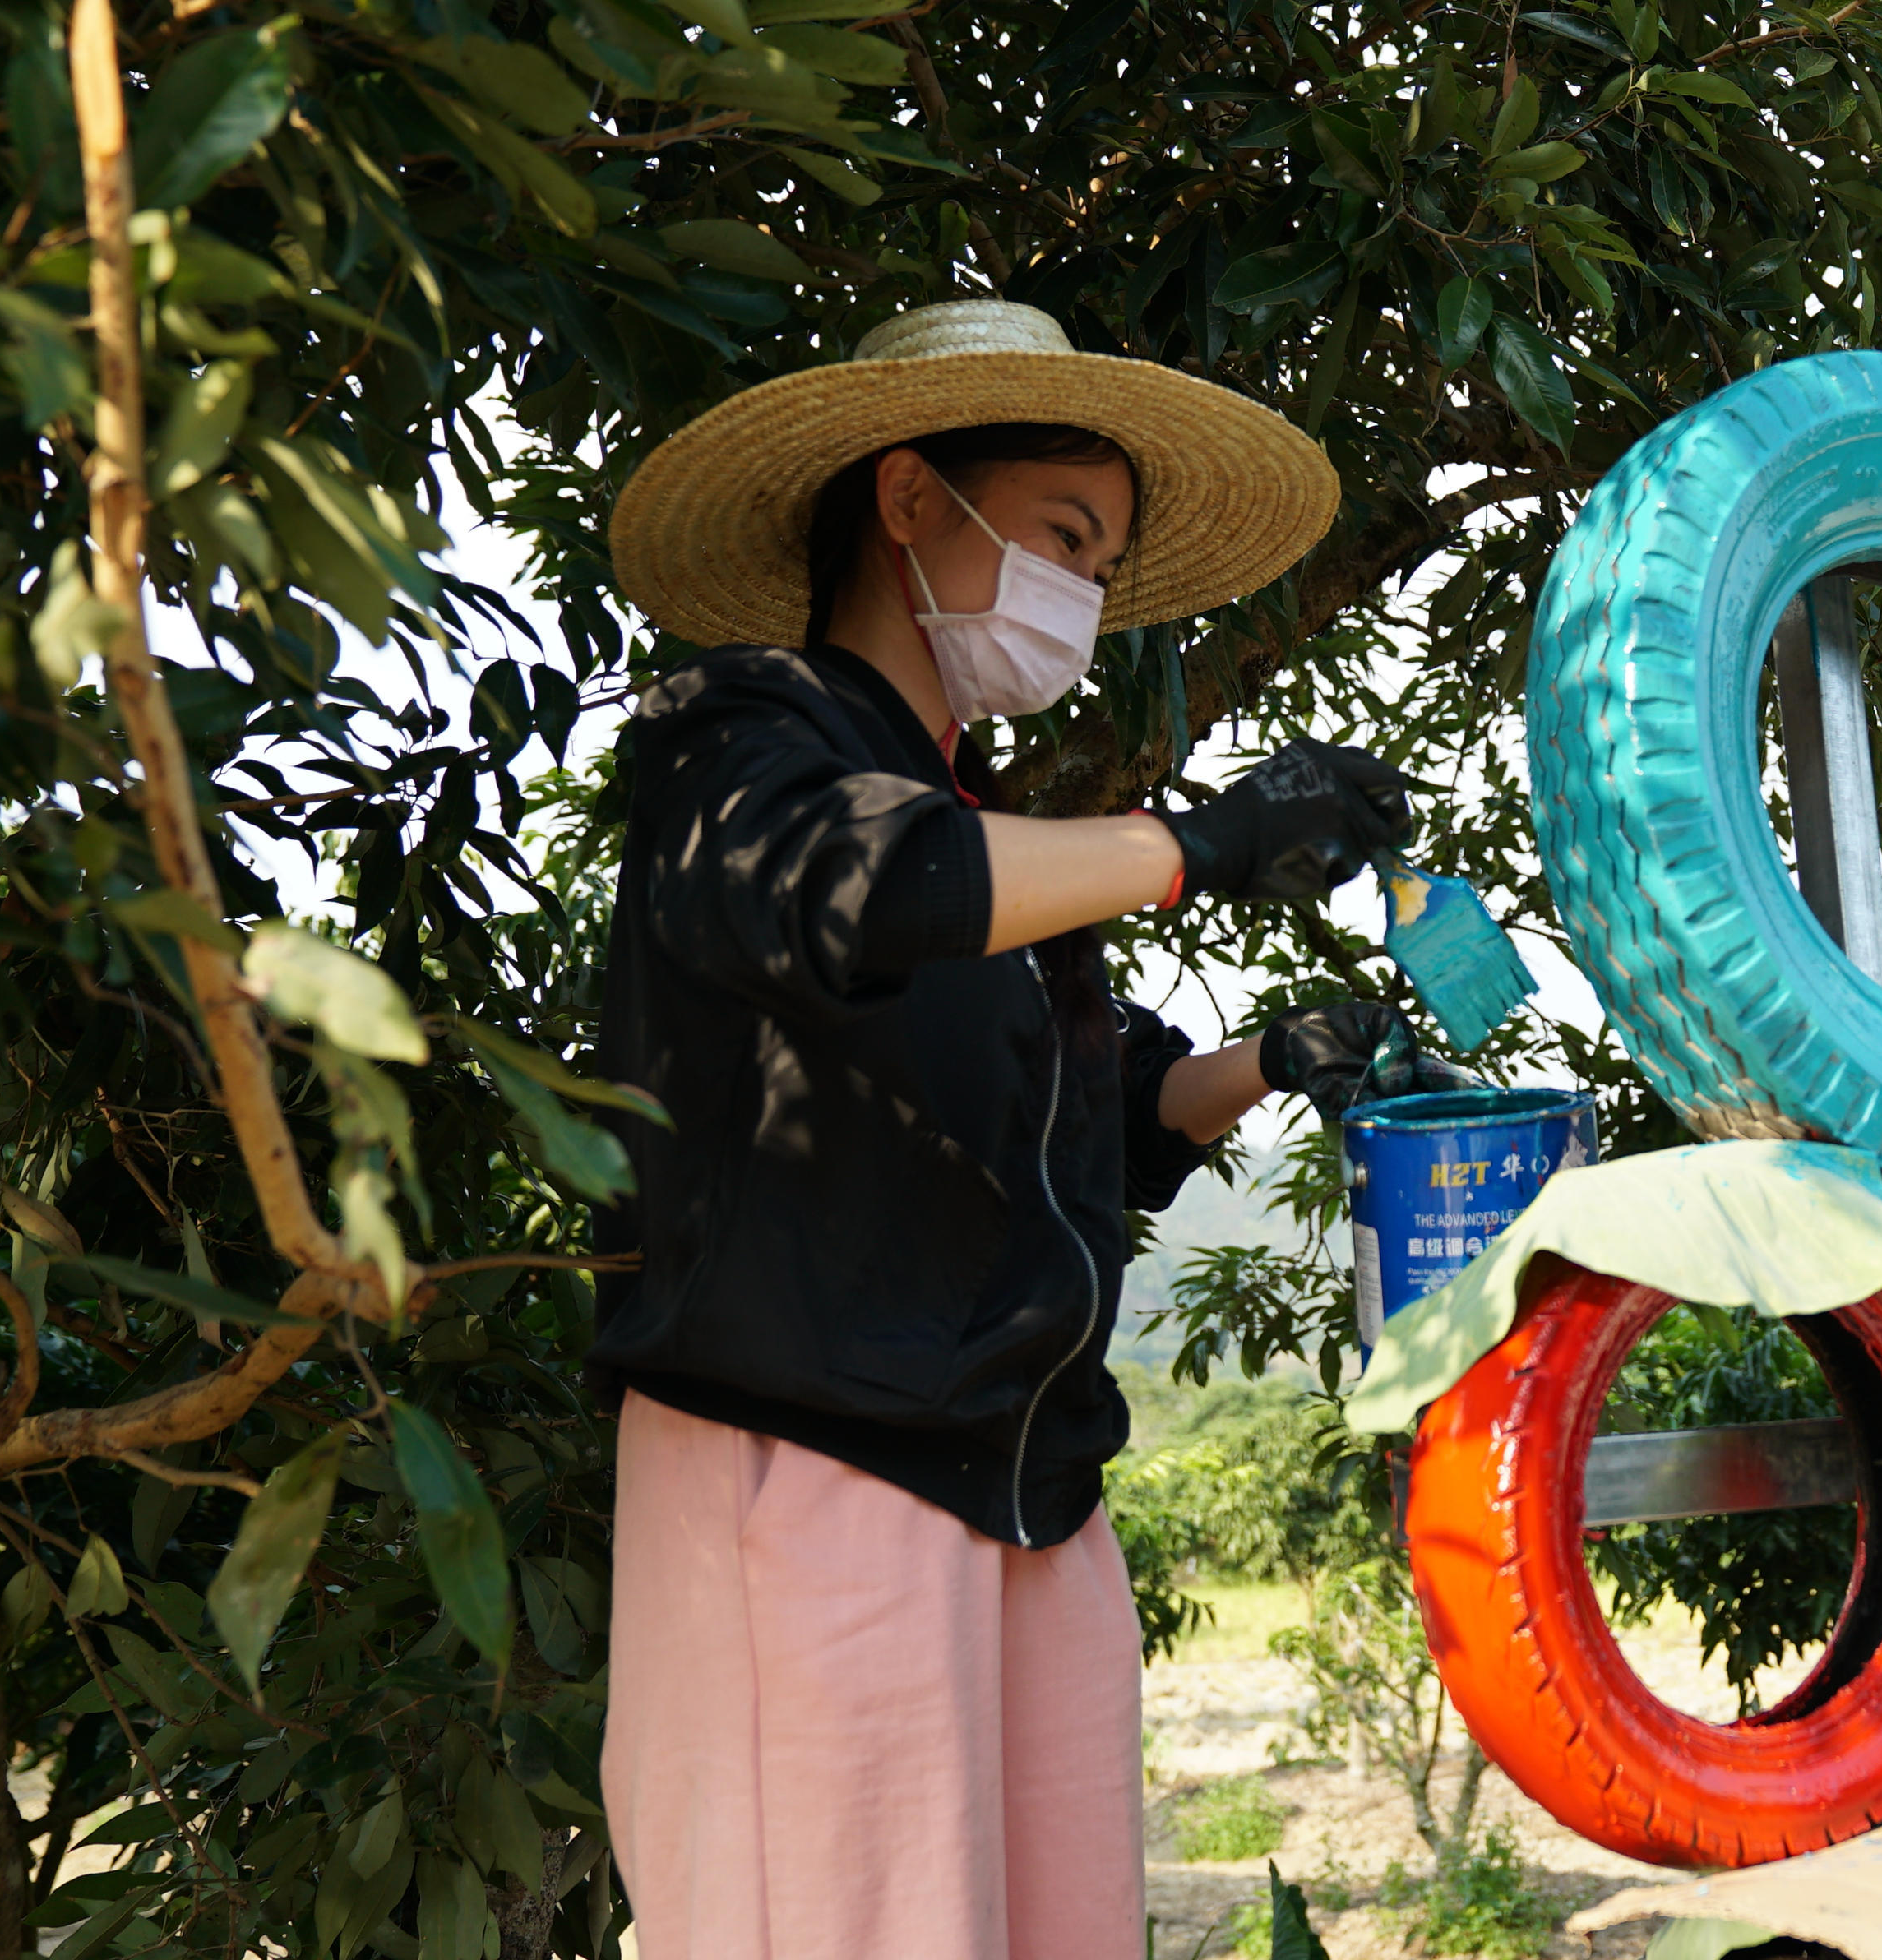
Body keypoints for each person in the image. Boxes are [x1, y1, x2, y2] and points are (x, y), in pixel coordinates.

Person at [590, 298, 1427, 1959]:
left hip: (1028, 1479)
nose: (1085, 596)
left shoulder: (990, 837)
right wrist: (1196, 840)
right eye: (1062, 535)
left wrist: (1276, 1054)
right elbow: (864, 883)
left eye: (1104, 567)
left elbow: (1091, 1131)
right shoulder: (739, 739)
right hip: (819, 1464)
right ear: (909, 500)